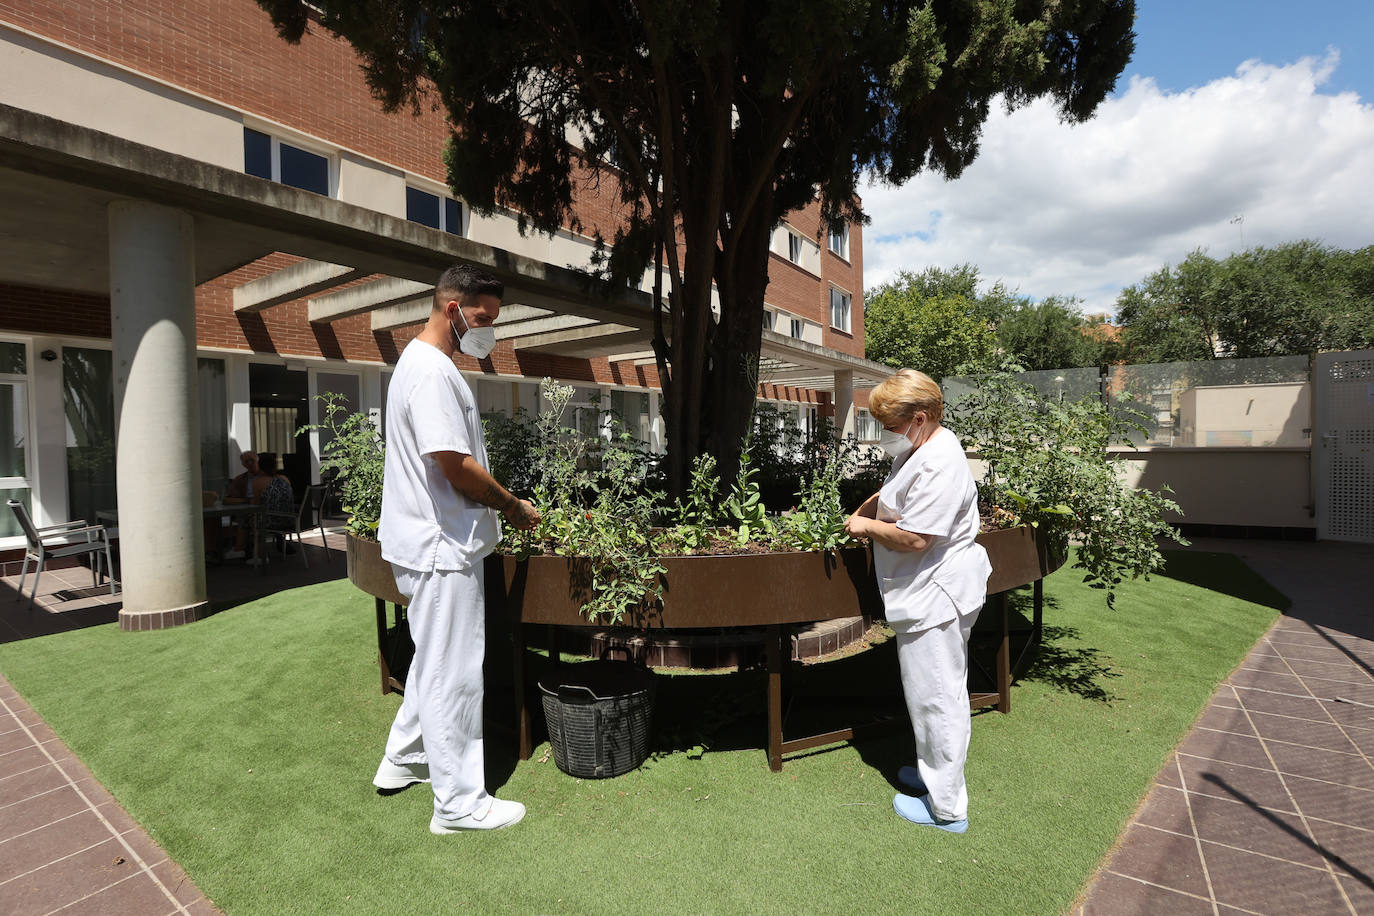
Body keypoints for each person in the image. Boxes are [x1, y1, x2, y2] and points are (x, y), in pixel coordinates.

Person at [373, 263, 540, 835]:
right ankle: (459, 805)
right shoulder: (433, 372)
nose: (489, 330)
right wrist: (514, 506)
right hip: (442, 546)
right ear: (454, 309)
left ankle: (401, 761)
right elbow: (453, 464)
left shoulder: (416, 367)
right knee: (454, 671)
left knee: (431, 661)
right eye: (484, 318)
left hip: (427, 541)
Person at [844, 369, 991, 833]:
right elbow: (895, 493)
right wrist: (867, 508)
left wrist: (864, 528)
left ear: (920, 417)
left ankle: (947, 809)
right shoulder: (922, 447)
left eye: (890, 425)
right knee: (933, 693)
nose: (885, 435)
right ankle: (933, 777)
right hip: (931, 591)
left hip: (937, 595)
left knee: (937, 700)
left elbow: (916, 539)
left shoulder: (939, 462)